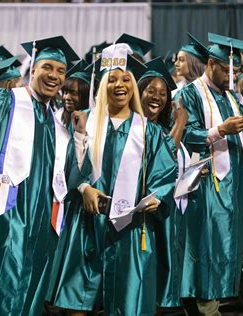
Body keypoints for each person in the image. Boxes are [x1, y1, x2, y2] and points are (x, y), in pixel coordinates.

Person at [48, 43, 176, 315]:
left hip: (131, 228)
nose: (120, 85)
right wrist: (83, 187)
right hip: (87, 224)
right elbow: (72, 167)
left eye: (126, 79)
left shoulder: (149, 132)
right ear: (102, 85)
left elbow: (164, 174)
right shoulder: (87, 123)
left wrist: (157, 196)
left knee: (128, 303)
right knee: (77, 303)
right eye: (113, 79)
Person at [0, 35, 81, 316]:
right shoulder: (7, 100)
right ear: (34, 69)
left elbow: (72, 173)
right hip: (6, 217)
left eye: (60, 71)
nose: (54, 76)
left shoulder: (58, 122)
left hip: (42, 223)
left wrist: (81, 134)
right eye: (47, 68)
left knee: (30, 292)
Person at [177, 32, 243, 315]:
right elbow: (185, 135)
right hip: (206, 187)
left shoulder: (233, 96)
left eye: (234, 71)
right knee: (205, 246)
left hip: (232, 187)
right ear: (211, 63)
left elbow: (240, 138)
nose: (230, 76)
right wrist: (220, 130)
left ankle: (212, 302)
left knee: (225, 248)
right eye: (226, 69)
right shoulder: (189, 93)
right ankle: (204, 305)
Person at [138, 56, 190, 311]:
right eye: (151, 91)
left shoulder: (157, 129)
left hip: (164, 211)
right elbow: (165, 157)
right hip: (143, 214)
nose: (157, 97)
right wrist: (180, 123)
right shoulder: (135, 128)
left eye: (163, 93)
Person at [61, 60, 91, 127]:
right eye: (65, 92)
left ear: (85, 96)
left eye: (73, 93)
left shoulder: (92, 123)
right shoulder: (57, 119)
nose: (67, 97)